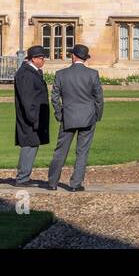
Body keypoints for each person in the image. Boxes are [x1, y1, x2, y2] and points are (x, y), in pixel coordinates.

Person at [46, 44, 104, 192]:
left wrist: (59, 114)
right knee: (82, 151)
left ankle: (52, 182)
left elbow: (54, 97)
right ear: (84, 58)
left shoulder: (61, 74)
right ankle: (75, 184)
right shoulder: (93, 74)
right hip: (88, 117)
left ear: (73, 56)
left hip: (68, 117)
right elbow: (99, 98)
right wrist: (97, 115)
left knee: (60, 151)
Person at [13, 45, 50, 187]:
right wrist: (34, 119)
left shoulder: (32, 72)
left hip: (34, 116)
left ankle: (24, 176)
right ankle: (22, 178)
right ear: (34, 59)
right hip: (30, 118)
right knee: (29, 145)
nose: (43, 60)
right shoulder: (26, 74)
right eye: (42, 58)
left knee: (32, 145)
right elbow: (27, 99)